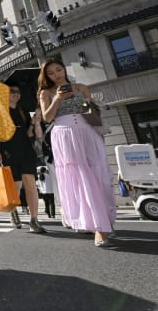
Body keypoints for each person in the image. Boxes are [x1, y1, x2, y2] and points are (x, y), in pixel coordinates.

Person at [38, 59, 116, 247]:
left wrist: (79, 98)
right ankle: (99, 229)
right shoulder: (45, 93)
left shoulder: (81, 87)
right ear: (46, 76)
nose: (56, 74)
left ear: (64, 69)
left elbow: (90, 113)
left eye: (58, 69)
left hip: (86, 132)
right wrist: (57, 98)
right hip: (64, 135)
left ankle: (104, 221)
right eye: (51, 73)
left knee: (98, 177)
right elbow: (47, 118)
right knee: (81, 179)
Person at [0, 84, 46, 233]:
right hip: (9, 151)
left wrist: (33, 124)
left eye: (17, 91)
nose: (16, 94)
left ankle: (34, 220)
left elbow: (29, 134)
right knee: (16, 186)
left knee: (31, 184)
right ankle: (13, 211)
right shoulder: (0, 112)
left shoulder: (22, 112)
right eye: (12, 91)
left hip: (26, 151)